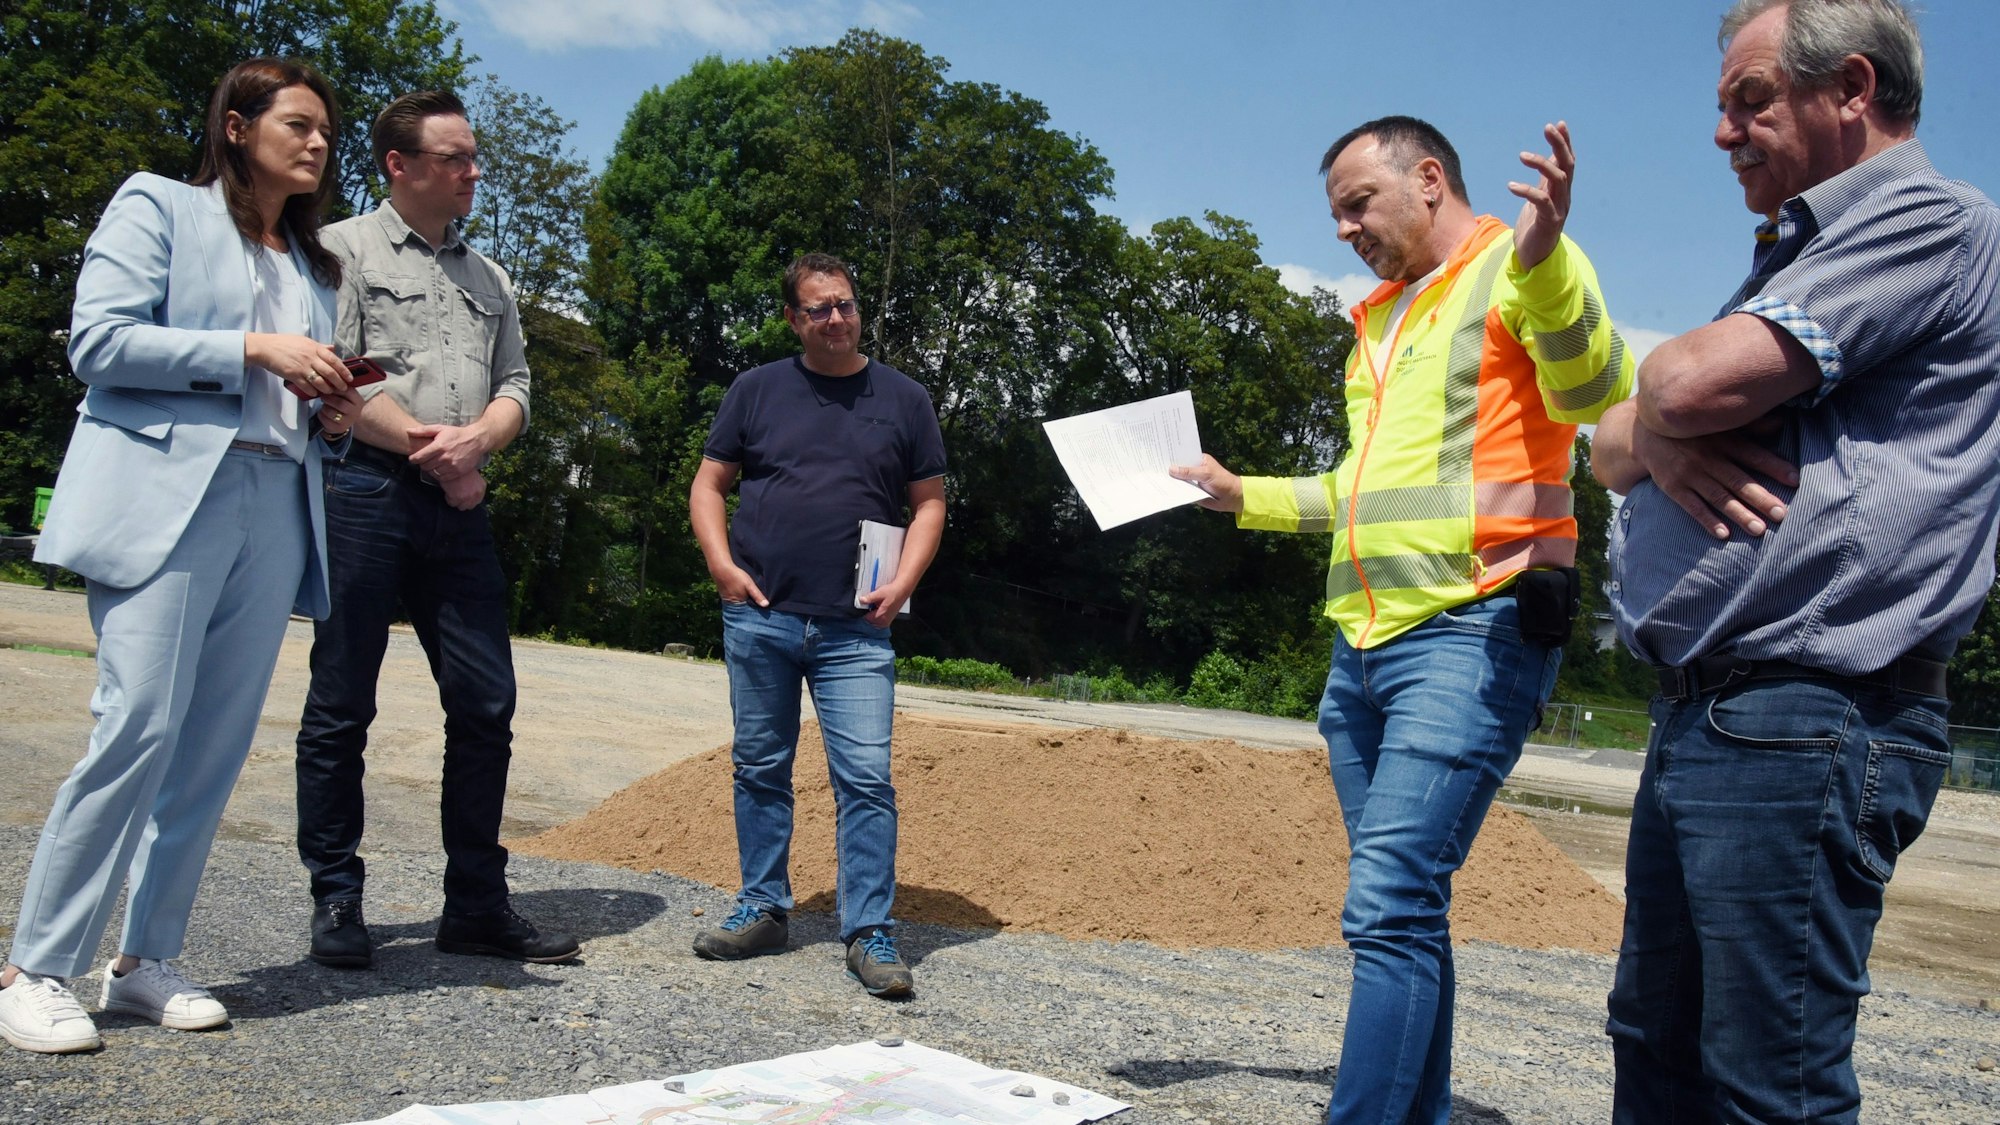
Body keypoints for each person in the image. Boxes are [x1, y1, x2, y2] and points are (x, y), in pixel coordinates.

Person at [1171, 117, 1633, 1122]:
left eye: (1355, 205)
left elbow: (1597, 388)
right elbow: (1357, 489)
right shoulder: (1376, 322)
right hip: (1363, 651)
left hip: (1474, 630)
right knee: (1403, 911)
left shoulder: (1522, 263)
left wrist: (1547, 262)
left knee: (1386, 903)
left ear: (1427, 179)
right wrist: (1238, 491)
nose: (1343, 230)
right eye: (1334, 214)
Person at [1594, 1, 2000, 1120]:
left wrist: (1663, 413)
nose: (1723, 133)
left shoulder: (1929, 219)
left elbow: (1673, 391)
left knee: (1766, 1078)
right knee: (1657, 1044)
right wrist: (1657, 419)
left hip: (1805, 713)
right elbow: (1605, 447)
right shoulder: (1803, 259)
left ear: (1851, 89)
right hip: (1716, 711)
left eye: (1749, 101)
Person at [0, 58, 365, 1054]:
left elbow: (294, 386)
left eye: (325, 130)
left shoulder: (314, 265)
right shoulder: (157, 206)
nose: (318, 142)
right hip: (167, 496)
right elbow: (101, 343)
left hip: (275, 500)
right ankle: (36, 966)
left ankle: (143, 959)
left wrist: (327, 404)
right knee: (138, 727)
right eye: (298, 123)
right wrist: (252, 350)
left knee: (209, 748)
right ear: (238, 127)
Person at [293, 90, 576, 967]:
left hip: (460, 510)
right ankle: (338, 899)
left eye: (473, 156)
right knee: (343, 705)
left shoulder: (488, 278)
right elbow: (333, 378)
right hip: (366, 495)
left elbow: (518, 383)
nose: (473, 171)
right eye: (455, 158)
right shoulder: (339, 250)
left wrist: (482, 442)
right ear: (400, 166)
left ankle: (476, 906)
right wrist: (433, 449)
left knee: (487, 704)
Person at [687, 253, 946, 999]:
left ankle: (869, 930)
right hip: (761, 616)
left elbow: (928, 502)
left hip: (857, 630)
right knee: (760, 767)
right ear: (794, 319)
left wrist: (906, 580)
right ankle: (764, 907)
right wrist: (720, 564)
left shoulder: (904, 399)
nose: (837, 317)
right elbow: (709, 483)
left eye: (847, 304)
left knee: (866, 777)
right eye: (820, 308)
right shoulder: (756, 389)